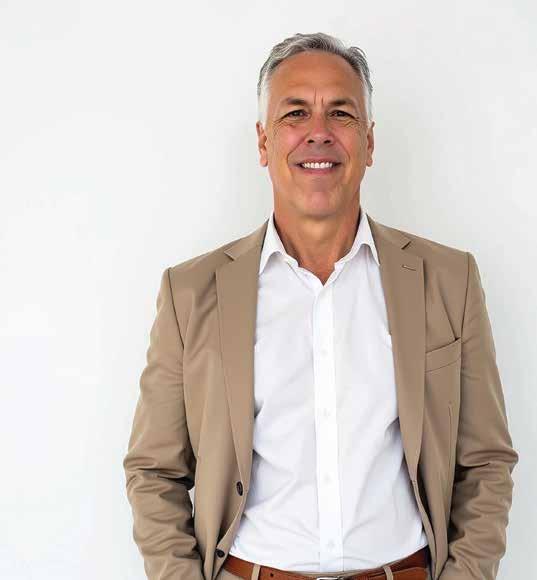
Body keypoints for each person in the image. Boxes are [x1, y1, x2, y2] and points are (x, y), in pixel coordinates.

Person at [123, 32, 518, 580]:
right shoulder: (189, 293)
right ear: (263, 142)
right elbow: (154, 471)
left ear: (369, 142)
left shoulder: (449, 281)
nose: (318, 132)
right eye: (295, 113)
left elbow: (486, 463)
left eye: (340, 113)